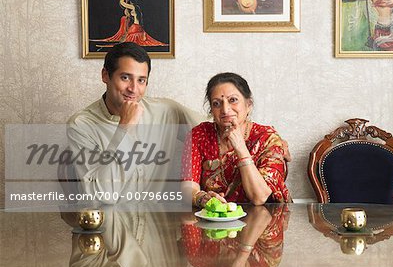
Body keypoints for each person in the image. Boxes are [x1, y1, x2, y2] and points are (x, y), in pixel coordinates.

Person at [67, 42, 203, 203]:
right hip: (110, 223)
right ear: (105, 75)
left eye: (141, 80)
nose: (133, 89)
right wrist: (125, 127)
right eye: (125, 78)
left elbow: (216, 129)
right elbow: (103, 195)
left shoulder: (167, 110)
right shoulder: (81, 125)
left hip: (159, 222)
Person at [181, 72, 291, 207]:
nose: (225, 110)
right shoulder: (199, 135)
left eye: (233, 100)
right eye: (217, 103)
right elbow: (187, 187)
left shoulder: (267, 138)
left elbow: (259, 197)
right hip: (215, 220)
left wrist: (240, 147)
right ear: (211, 111)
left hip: (265, 219)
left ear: (248, 105)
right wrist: (201, 198)